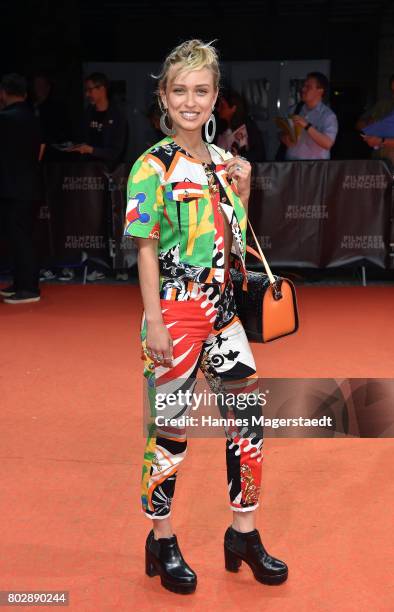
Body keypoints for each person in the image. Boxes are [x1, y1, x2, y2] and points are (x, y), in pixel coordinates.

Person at [124, 39, 288, 594]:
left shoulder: (224, 162)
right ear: (164, 98)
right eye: (179, 91)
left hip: (224, 319)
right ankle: (162, 539)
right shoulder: (152, 166)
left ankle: (243, 532)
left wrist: (243, 194)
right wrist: (153, 319)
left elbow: (235, 247)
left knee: (247, 425)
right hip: (173, 316)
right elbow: (145, 248)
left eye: (202, 91)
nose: (191, 101)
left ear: (216, 97)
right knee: (169, 434)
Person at [0, 74, 42, 304]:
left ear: (4, 93)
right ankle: (21, 282)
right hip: (30, 185)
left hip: (14, 188)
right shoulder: (32, 115)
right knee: (22, 237)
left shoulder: (5, 119)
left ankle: (29, 288)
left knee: (20, 239)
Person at [70, 72, 128, 169]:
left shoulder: (118, 116)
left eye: (89, 90)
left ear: (102, 89)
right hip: (86, 170)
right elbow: (81, 138)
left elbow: (116, 152)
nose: (87, 94)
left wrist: (91, 150)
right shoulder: (88, 113)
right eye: (86, 90)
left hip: (110, 171)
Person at [280, 72, 338, 160]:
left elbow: (328, 144)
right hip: (292, 164)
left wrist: (306, 125)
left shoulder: (328, 115)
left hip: (316, 166)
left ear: (320, 90)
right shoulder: (294, 110)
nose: (303, 89)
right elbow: (281, 133)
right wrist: (286, 138)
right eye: (304, 86)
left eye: (308, 87)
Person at [216, 89, 266, 161]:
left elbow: (259, 154)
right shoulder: (218, 127)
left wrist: (240, 157)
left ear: (233, 108)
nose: (218, 109)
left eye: (222, 106)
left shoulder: (248, 127)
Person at [357, 74, 394, 163]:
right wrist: (370, 123)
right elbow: (359, 125)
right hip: (380, 161)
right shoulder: (383, 105)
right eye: (393, 91)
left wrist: (382, 140)